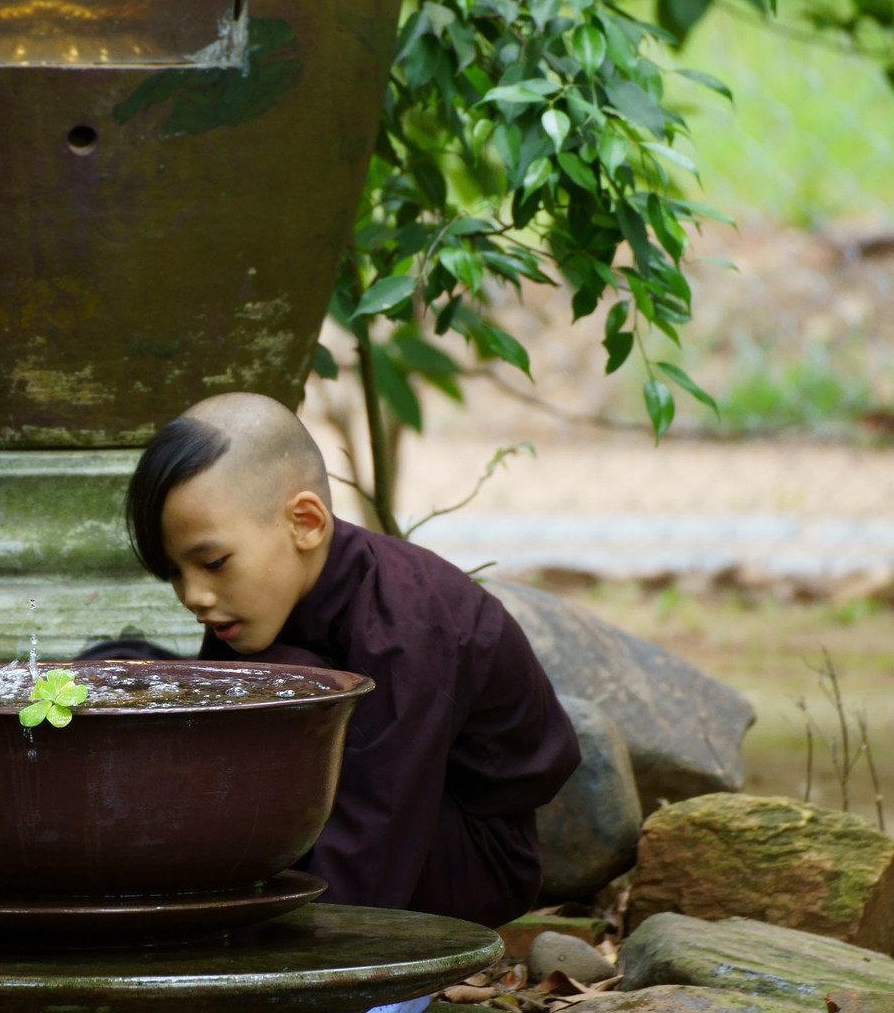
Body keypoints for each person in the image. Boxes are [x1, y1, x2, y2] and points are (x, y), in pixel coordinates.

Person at [115, 391, 582, 922]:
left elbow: (384, 817)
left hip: (465, 857)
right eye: (175, 572)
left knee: (295, 682)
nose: (193, 595)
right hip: (351, 826)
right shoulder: (252, 608)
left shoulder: (407, 625)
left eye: (214, 562)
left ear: (305, 523)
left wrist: (317, 975)